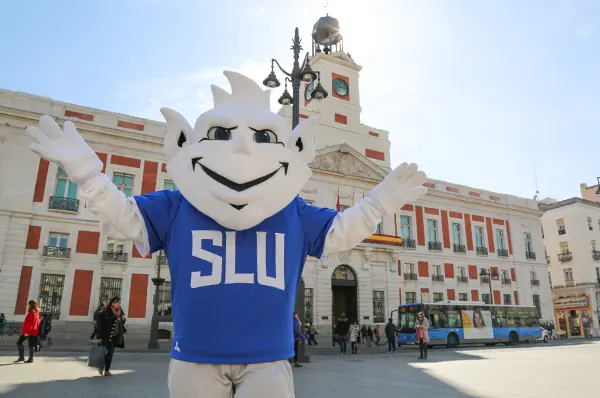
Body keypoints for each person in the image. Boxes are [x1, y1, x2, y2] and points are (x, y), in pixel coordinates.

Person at [25, 71, 428, 397]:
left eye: (262, 137)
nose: (240, 147)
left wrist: (377, 205)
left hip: (268, 361)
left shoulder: (292, 210)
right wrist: (88, 175)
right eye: (221, 134)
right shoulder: (179, 204)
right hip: (195, 358)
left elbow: (340, 231)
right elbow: (124, 218)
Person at [96, 297, 126, 376]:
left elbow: (122, 321)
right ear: (113, 303)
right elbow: (100, 325)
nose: (119, 304)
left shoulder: (120, 312)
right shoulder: (105, 312)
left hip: (115, 336)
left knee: (110, 354)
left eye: (119, 302)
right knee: (102, 353)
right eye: (117, 303)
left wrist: (123, 319)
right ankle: (101, 367)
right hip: (106, 335)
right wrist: (99, 337)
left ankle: (107, 370)